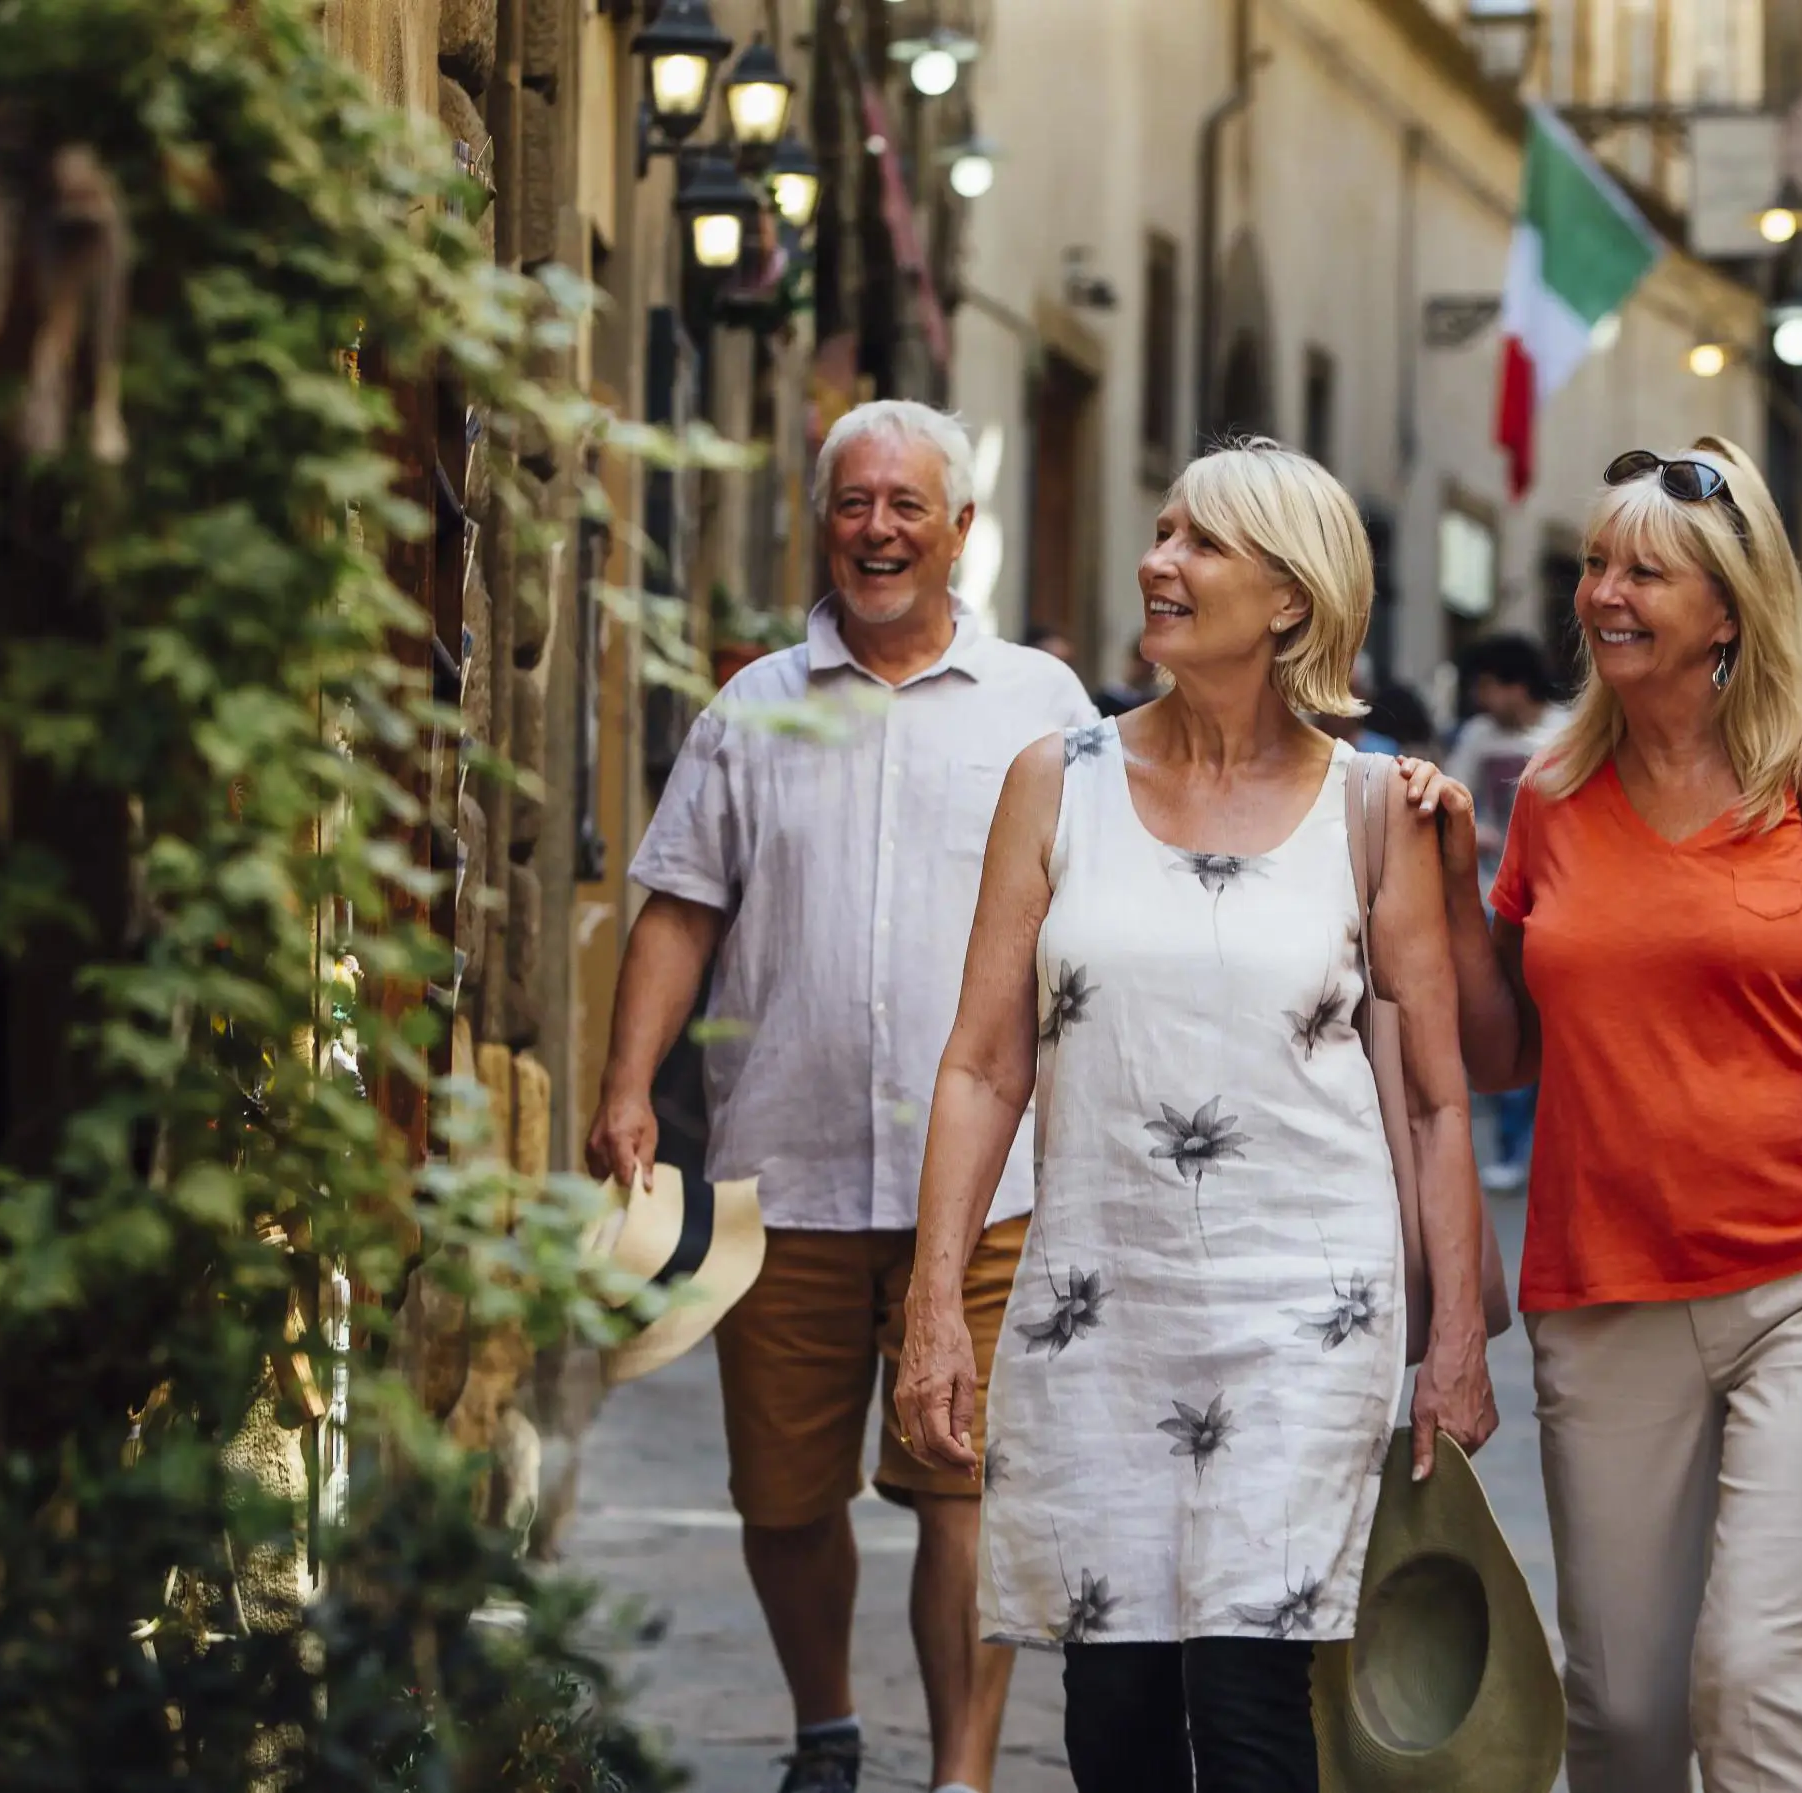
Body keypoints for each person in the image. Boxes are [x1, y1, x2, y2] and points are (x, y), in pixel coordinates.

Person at [892, 438, 1499, 1793]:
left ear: (1291, 598)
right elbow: (986, 1063)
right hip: (1099, 1308)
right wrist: (936, 1305)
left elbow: (1442, 1102)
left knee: (1247, 1697)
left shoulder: (1370, 810)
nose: (1160, 562)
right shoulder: (1058, 783)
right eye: (1162, 532)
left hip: (1307, 1309)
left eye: (1201, 543)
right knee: (1113, 1712)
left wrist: (1453, 1335)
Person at [1401, 439, 1802, 1792]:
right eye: (1595, 567)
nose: (1605, 594)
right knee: (1620, 1714)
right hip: (1605, 1293)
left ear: (1728, 607)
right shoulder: (1551, 795)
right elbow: (1504, 1056)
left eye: (1644, 571)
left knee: (1755, 1684)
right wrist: (1455, 887)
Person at [586, 399, 1095, 1793]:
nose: (877, 529)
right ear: (827, 521)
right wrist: (630, 1084)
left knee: (962, 1486)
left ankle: (965, 1773)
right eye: (854, 503)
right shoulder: (753, 706)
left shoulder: (1043, 707)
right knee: (783, 1493)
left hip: (990, 1183)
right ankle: (824, 1726)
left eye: (906, 505)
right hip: (791, 1167)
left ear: (960, 532)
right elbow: (680, 909)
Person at [1444, 632, 1567, 1192]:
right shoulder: (1477, 737)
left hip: (1559, 900)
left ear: (1515, 685)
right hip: (1496, 897)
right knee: (1508, 1024)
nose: (1482, 699)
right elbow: (1452, 796)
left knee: (1559, 1032)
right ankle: (1517, 1150)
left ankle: (1551, 1147)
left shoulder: (1567, 732)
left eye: (1488, 687)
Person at [1094, 636, 1160, 716]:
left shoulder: (1157, 704)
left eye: (1151, 662)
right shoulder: (1107, 700)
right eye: (1140, 660)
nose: (1144, 667)